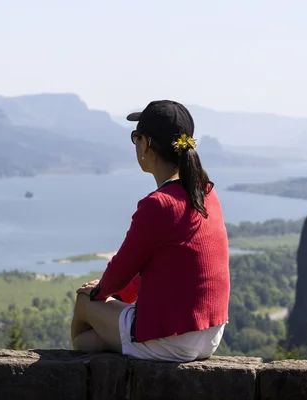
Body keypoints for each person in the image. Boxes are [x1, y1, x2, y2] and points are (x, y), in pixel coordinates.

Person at [70, 100, 230, 362]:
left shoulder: (159, 204)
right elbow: (156, 266)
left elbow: (120, 271)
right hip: (210, 335)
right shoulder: (206, 194)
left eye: (136, 138)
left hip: (173, 336)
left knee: (83, 306)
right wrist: (118, 295)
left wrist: (98, 292)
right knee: (94, 341)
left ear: (145, 144)